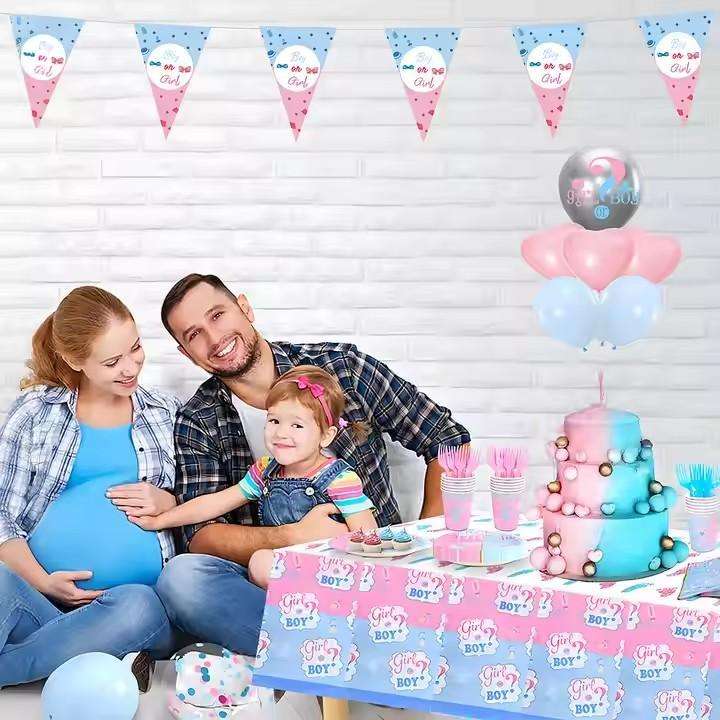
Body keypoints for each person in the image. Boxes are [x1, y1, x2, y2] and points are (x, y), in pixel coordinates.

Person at [155, 273, 470, 654]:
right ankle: (347, 649)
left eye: (217, 315)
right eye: (194, 335)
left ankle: (335, 644)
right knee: (182, 579)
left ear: (245, 308)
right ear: (186, 354)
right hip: (274, 584)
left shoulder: (343, 369)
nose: (214, 338)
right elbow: (201, 535)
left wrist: (426, 542)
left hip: (366, 568)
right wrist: (291, 536)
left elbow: (447, 439)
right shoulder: (199, 418)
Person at [0, 287, 179, 686]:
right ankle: (67, 656)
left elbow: (203, 505)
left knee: (138, 606)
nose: (130, 367)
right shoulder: (35, 413)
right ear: (73, 360)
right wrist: (43, 581)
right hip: (42, 602)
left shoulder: (166, 412)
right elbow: (2, 514)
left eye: (135, 348)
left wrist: (170, 502)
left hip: (128, 614)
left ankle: (16, 666)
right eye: (112, 361)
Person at [133, 366, 377, 589]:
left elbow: (368, 537)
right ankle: (291, 608)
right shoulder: (265, 471)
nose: (281, 433)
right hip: (289, 573)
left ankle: (320, 604)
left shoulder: (339, 479)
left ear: (326, 436)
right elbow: (215, 503)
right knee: (260, 562)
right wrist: (161, 520)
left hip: (335, 574)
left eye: (297, 426)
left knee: (262, 562)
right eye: (274, 420)